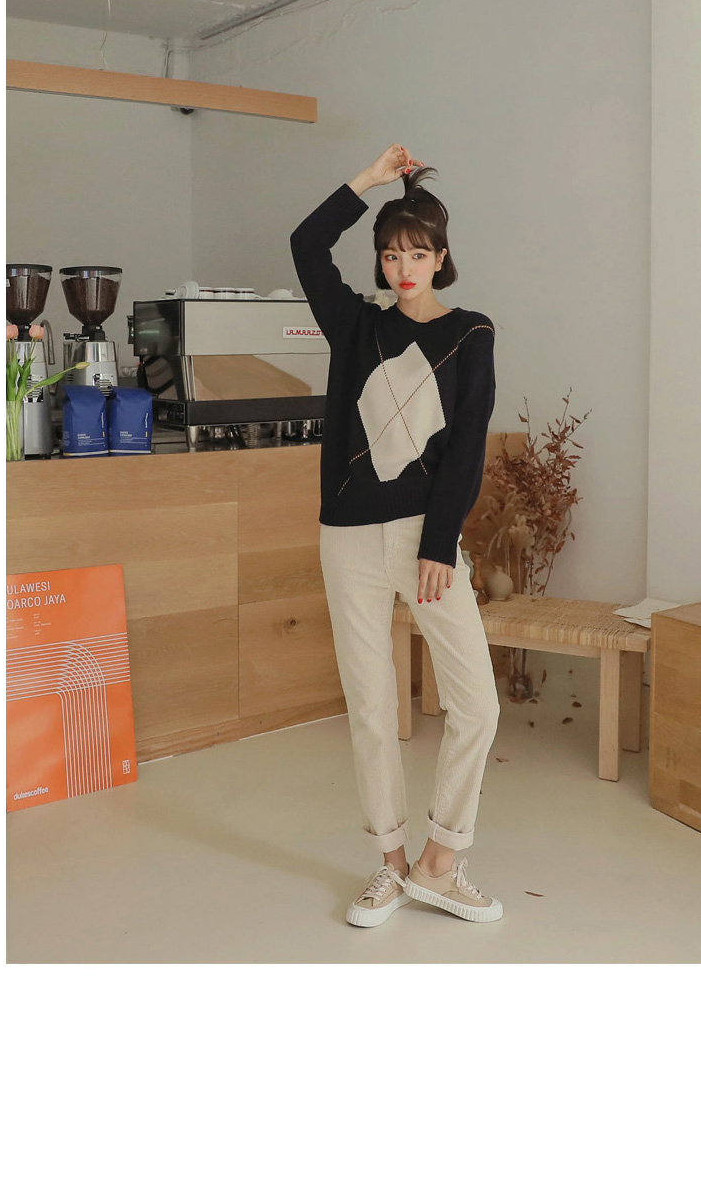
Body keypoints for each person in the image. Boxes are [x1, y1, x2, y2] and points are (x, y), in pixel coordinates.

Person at [289, 147, 504, 930]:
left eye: (417, 253)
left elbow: (468, 444)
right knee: (372, 705)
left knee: (475, 702)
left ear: (441, 257)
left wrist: (440, 542)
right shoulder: (357, 325)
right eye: (390, 253)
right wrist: (369, 180)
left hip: (424, 539)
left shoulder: (471, 333)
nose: (402, 266)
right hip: (347, 538)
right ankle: (389, 864)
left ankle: (440, 862)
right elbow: (306, 243)